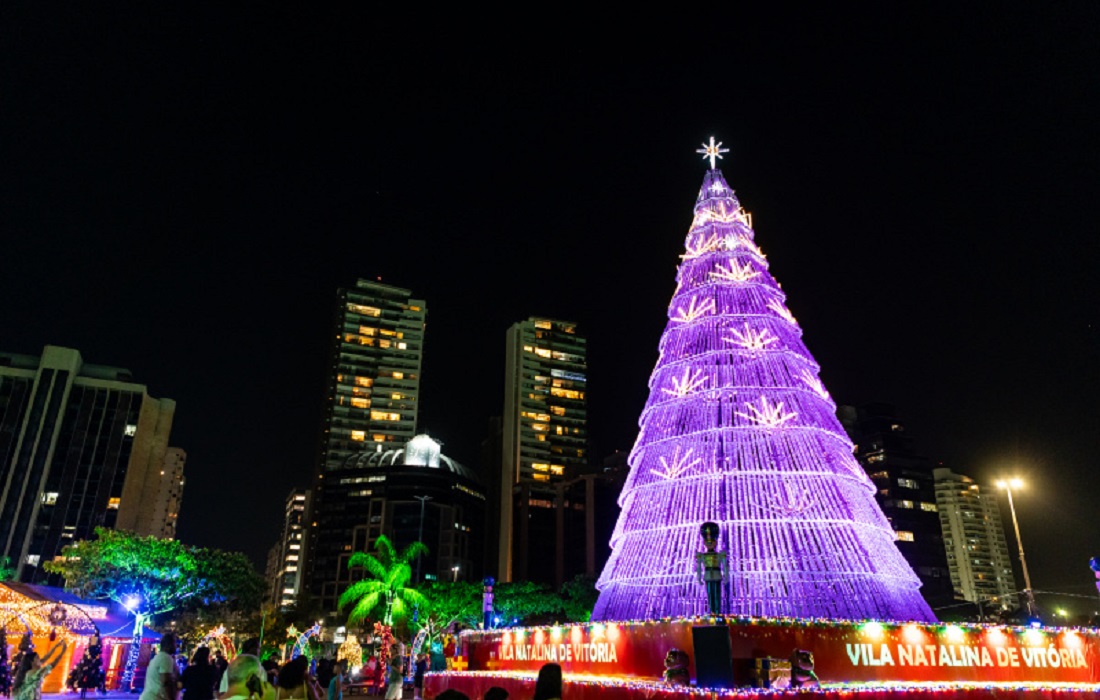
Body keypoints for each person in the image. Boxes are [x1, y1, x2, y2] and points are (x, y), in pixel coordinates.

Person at [140, 633, 179, 700]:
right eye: (174, 643)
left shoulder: (157, 658)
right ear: (168, 645)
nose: (176, 646)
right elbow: (166, 681)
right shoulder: (165, 658)